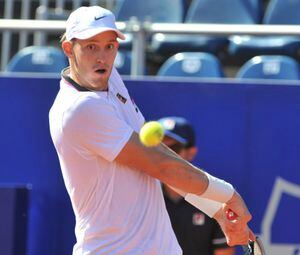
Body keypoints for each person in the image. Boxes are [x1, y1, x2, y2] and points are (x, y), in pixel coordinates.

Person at [49, 5, 254, 255]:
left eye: (109, 46)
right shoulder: (79, 109)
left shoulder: (110, 79)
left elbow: (157, 154)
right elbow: (161, 165)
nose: (102, 57)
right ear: (69, 48)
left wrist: (215, 209)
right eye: (91, 46)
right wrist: (228, 195)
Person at [158, 116, 235, 255]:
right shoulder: (142, 193)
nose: (165, 154)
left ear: (191, 153)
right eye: (160, 147)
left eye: (173, 148)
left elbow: (224, 252)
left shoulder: (214, 197)